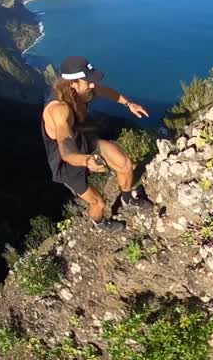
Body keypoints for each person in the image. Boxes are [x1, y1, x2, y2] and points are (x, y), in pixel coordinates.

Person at [42, 55, 154, 231]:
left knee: (125, 164)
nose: (92, 85)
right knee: (98, 202)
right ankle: (100, 223)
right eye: (87, 82)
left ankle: (127, 199)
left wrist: (129, 103)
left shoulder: (81, 90)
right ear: (72, 84)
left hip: (86, 142)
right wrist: (86, 161)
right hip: (67, 164)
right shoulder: (59, 110)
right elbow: (66, 148)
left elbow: (105, 91)